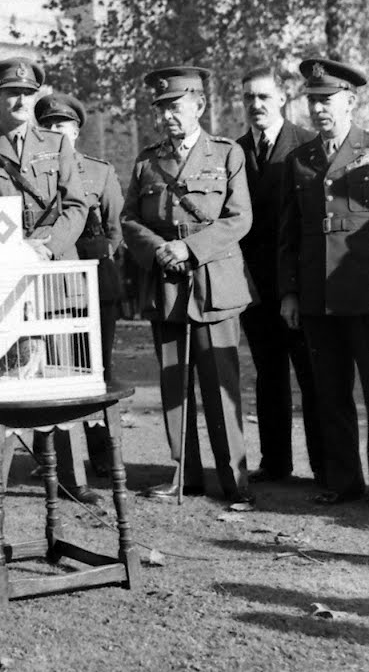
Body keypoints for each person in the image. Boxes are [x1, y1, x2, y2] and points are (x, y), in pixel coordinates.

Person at [0, 58, 97, 504]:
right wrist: (10, 252)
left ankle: (71, 480)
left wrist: (47, 245)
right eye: (10, 93)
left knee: (63, 372)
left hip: (54, 270)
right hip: (2, 277)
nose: (19, 100)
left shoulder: (57, 144)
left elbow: (77, 206)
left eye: (27, 93)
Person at [121, 65, 253, 505]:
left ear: (199, 105)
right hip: (167, 285)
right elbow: (129, 219)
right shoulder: (146, 160)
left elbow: (239, 218)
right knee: (174, 385)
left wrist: (189, 250)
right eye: (161, 109)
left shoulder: (226, 153)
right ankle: (184, 475)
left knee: (221, 385)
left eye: (176, 107)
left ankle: (235, 483)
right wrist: (160, 248)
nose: (168, 117)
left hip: (213, 282)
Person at [278, 56, 369, 505]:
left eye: (326, 99)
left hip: (365, 296)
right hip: (317, 297)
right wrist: (291, 292)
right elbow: (288, 236)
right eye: (312, 100)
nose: (317, 109)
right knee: (329, 394)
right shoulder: (300, 161)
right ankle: (344, 482)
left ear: (350, 101)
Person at [237, 63, 321, 484]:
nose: (256, 105)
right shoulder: (232, 153)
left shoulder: (307, 145)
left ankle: (325, 468)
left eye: (264, 96)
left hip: (301, 286)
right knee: (268, 375)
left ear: (283, 99)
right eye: (249, 97)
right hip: (253, 287)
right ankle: (275, 463)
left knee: (312, 375)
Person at [34, 91, 124, 475]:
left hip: (95, 281)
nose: (57, 131)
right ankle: (49, 458)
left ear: (76, 130)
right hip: (50, 281)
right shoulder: (35, 172)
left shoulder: (99, 171)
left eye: (63, 125)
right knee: (51, 367)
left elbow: (116, 229)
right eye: (49, 126)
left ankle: (103, 458)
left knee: (96, 369)